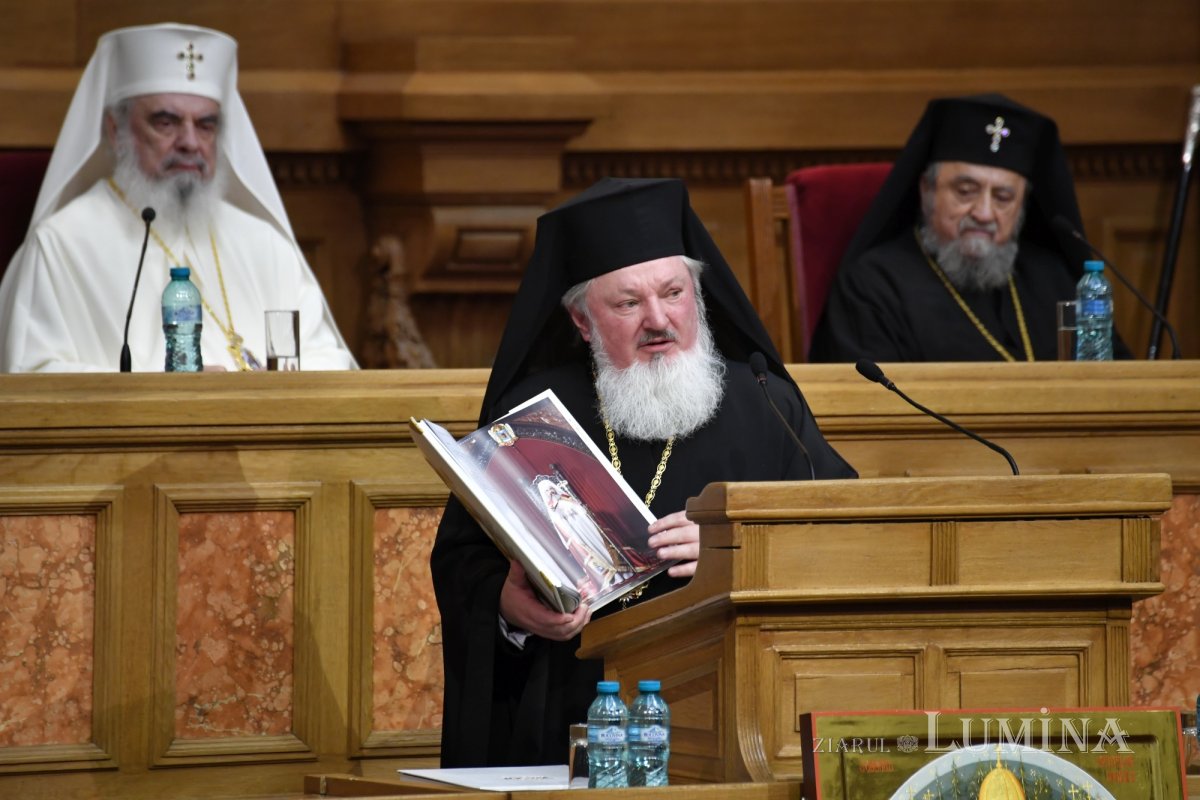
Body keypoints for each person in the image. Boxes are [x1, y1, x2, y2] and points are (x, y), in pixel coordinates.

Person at [430, 177, 856, 767]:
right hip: (577, 718)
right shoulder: (532, 414)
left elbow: (849, 536)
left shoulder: (764, 403)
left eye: (674, 293)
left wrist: (736, 551)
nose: (658, 320)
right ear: (582, 321)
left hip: (738, 713)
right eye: (628, 304)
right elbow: (460, 562)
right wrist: (508, 609)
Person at [0, 23, 356, 372]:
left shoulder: (265, 244)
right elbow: (34, 375)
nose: (190, 142)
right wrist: (169, 399)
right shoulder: (62, 244)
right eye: (166, 122)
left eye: (206, 125)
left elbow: (329, 360)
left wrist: (263, 388)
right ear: (116, 130)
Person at [809, 93, 1129, 363]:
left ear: (1022, 206)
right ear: (927, 191)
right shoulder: (873, 288)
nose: (984, 212)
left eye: (1003, 197)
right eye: (965, 191)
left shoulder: (1054, 279)